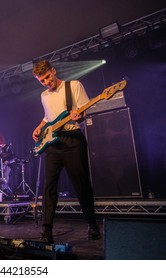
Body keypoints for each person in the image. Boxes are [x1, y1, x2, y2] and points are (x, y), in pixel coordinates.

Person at [32, 60, 100, 243]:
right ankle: (47, 230)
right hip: (53, 145)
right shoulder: (44, 96)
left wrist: (79, 116)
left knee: (81, 184)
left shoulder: (74, 86)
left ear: (53, 71)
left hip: (73, 139)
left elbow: (84, 112)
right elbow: (48, 117)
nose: (46, 82)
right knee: (49, 186)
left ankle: (92, 224)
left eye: (47, 77)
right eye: (42, 81)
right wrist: (39, 128)